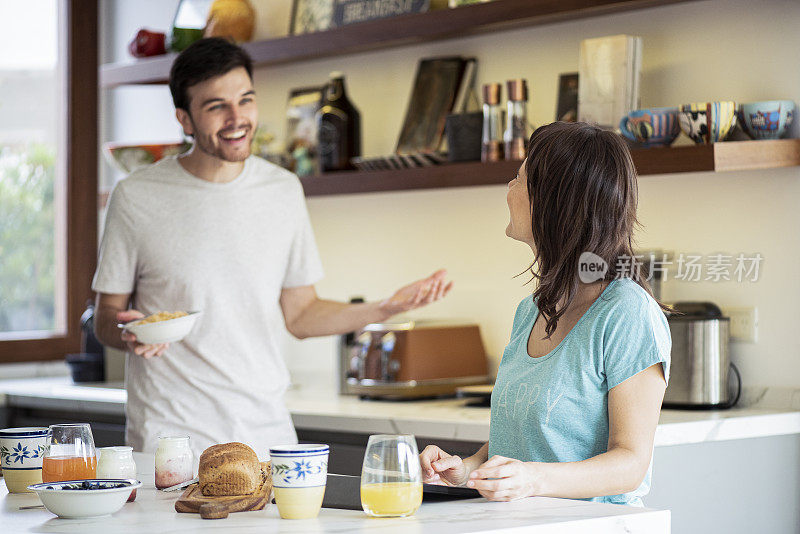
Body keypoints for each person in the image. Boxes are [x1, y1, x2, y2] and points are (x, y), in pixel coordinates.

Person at [92, 38, 452, 459]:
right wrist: (129, 334)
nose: (236, 118)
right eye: (216, 107)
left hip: (266, 437)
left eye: (245, 100)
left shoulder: (282, 190)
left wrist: (386, 307)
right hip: (170, 441)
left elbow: (300, 314)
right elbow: (105, 318)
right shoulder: (136, 196)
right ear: (184, 120)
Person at [419, 122, 671, 507]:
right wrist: (467, 469)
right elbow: (528, 441)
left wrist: (533, 479)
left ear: (553, 201)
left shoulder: (627, 313)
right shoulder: (530, 311)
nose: (508, 188)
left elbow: (630, 463)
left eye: (518, 179)